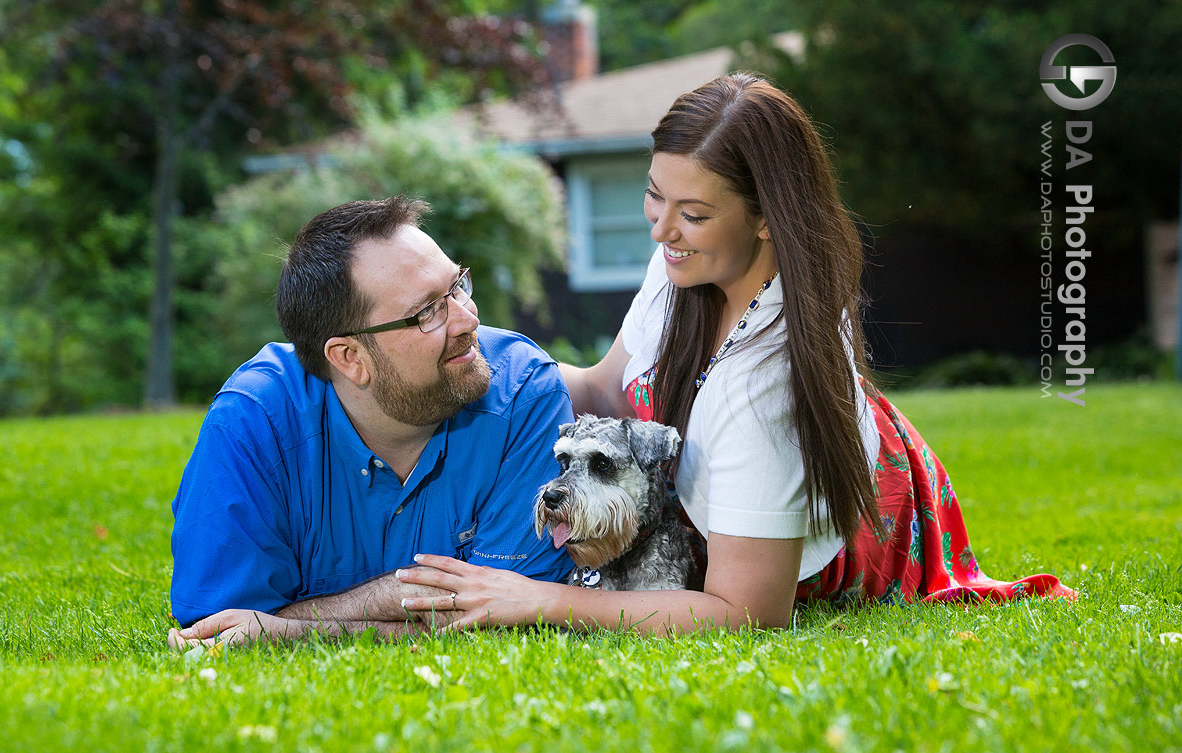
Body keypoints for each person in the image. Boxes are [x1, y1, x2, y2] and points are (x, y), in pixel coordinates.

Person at [397, 73, 1075, 632]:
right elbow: (605, 389)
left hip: (860, 529)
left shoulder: (764, 389)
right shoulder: (684, 265)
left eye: (692, 213)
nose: (662, 229)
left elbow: (746, 611)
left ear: (765, 217)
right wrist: (479, 359)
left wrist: (538, 600)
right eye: (655, 196)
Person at [166, 197, 573, 649]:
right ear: (350, 358)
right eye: (426, 312)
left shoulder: (524, 392)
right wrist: (394, 599)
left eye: (458, 286)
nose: (468, 318)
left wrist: (294, 629)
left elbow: (511, 615)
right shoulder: (253, 420)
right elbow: (218, 628)